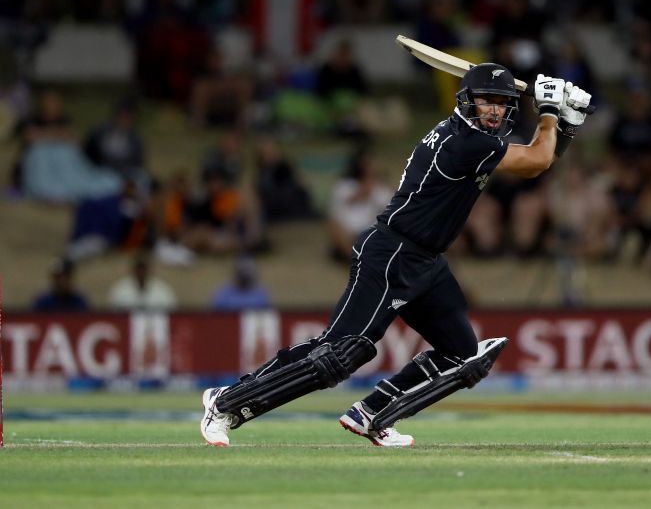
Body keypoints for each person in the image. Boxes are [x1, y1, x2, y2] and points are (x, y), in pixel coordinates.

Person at [199, 65, 592, 447]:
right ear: (466, 102)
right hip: (392, 254)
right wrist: (549, 112)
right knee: (337, 354)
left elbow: (538, 157)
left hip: (427, 261)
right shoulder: (467, 143)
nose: (493, 110)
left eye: (502, 103)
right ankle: (226, 403)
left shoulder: (471, 136)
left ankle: (372, 413)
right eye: (485, 100)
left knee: (463, 355)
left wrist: (567, 120)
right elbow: (536, 160)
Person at [108, 256, 177, 312]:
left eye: (144, 269)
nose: (141, 273)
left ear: (149, 271)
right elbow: (113, 311)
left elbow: (171, 310)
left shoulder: (163, 289)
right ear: (133, 270)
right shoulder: (120, 289)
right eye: (138, 269)